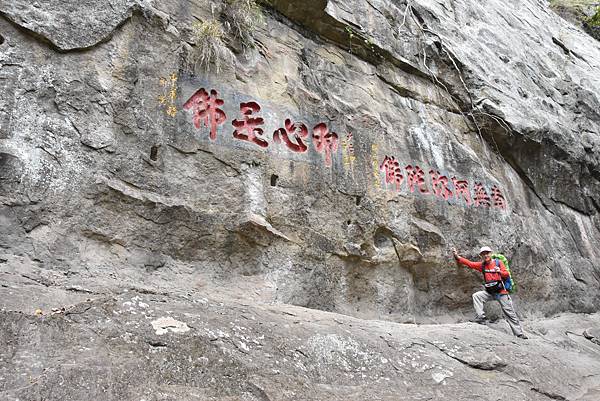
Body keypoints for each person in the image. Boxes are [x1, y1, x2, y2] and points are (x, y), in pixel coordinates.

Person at [452, 246, 528, 339]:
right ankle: (481, 317)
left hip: (501, 292)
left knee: (509, 312)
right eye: (483, 254)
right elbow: (470, 264)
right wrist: (457, 257)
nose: (485, 255)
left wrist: (499, 271)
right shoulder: (482, 265)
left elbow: (506, 273)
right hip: (490, 292)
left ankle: (519, 333)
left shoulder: (498, 263)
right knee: (477, 296)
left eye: (487, 253)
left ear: (490, 253)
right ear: (481, 256)